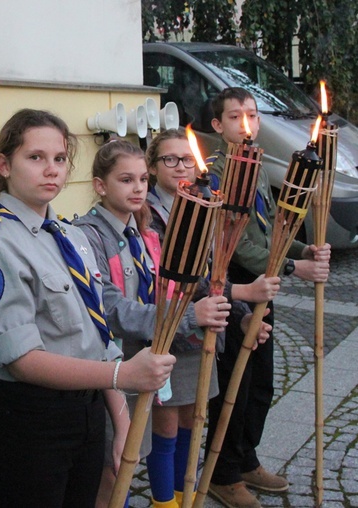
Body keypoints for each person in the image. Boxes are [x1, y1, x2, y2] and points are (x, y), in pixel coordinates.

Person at [0, 108, 176, 508]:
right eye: (36, 157)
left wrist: (120, 422)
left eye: (60, 159)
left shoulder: (71, 236)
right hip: (29, 417)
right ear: (4, 164)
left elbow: (99, 335)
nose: (51, 169)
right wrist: (123, 375)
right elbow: (22, 359)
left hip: (87, 410)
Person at [74, 138, 237, 508]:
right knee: (114, 462)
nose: (138, 189)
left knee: (136, 450)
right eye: (125, 180)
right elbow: (109, 307)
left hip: (145, 357)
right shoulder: (88, 235)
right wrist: (185, 319)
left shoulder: (143, 232)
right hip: (110, 365)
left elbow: (166, 287)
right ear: (101, 185)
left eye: (142, 180)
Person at [204, 87, 330, 508]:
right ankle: (222, 473)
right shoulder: (218, 175)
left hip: (266, 280)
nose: (247, 124)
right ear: (218, 126)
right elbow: (238, 246)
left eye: (253, 115)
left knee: (260, 382)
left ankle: (247, 459)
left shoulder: (255, 167)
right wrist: (295, 268)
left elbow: (272, 222)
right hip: (236, 285)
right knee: (233, 385)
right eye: (235, 116)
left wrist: (300, 249)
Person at [144, 130, 278, 507]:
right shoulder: (149, 216)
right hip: (166, 329)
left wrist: (238, 316)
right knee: (166, 424)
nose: (181, 166)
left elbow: (213, 275)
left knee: (191, 419)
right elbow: (178, 280)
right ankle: (164, 501)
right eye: (169, 159)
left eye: (187, 159)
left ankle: (185, 495)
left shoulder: (206, 207)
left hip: (199, 334)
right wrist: (242, 298)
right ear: (153, 167)